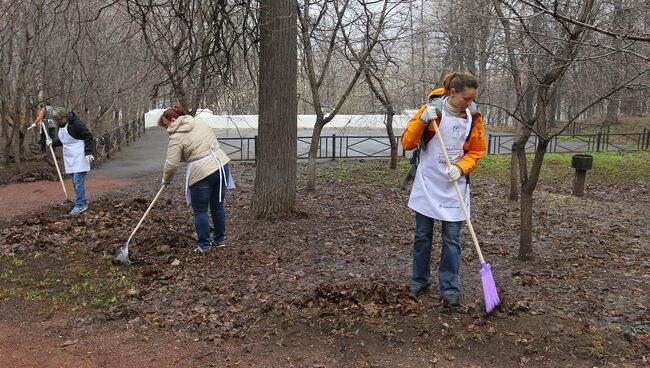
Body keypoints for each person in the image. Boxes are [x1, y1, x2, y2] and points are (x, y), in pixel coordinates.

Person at [401, 72, 487, 306]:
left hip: (454, 186)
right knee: (422, 236)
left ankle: (449, 286)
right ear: (452, 93)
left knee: (452, 240)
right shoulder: (430, 111)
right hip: (428, 183)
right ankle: (419, 280)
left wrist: (461, 168)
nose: (469, 103)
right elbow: (407, 143)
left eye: (472, 99)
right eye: (466, 98)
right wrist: (421, 121)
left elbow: (477, 152)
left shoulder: (474, 117)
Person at [159, 106, 232, 253]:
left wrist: (165, 180)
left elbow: (171, 165)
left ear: (173, 120)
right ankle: (219, 240)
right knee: (218, 206)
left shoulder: (176, 137)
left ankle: (204, 245)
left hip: (201, 173)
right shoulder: (199, 122)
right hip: (221, 165)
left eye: (166, 125)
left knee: (200, 210)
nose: (167, 129)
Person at [46, 107, 95, 215]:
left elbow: (88, 136)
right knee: (75, 181)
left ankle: (80, 204)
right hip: (69, 156)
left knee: (78, 180)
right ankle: (82, 200)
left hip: (80, 154)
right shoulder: (61, 125)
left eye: (59, 119)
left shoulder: (76, 124)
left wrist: (88, 152)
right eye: (56, 120)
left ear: (64, 116)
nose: (58, 122)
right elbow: (64, 141)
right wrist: (52, 142)